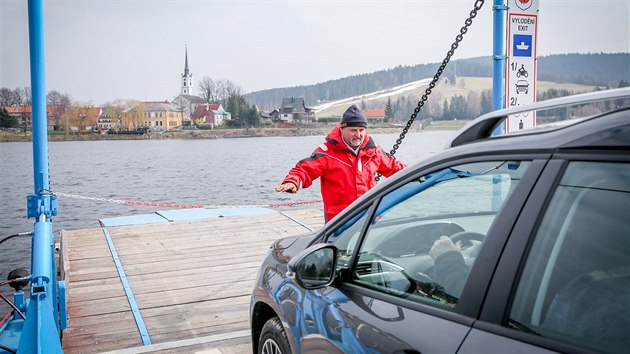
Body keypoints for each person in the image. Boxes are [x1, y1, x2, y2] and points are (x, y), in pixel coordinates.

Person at [275, 104, 406, 222]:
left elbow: (395, 168)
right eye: (353, 130)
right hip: (339, 221)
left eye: (361, 130)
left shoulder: (374, 151)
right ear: (342, 129)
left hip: (369, 218)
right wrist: (293, 181)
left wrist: (423, 175)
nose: (358, 134)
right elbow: (305, 170)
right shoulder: (326, 153)